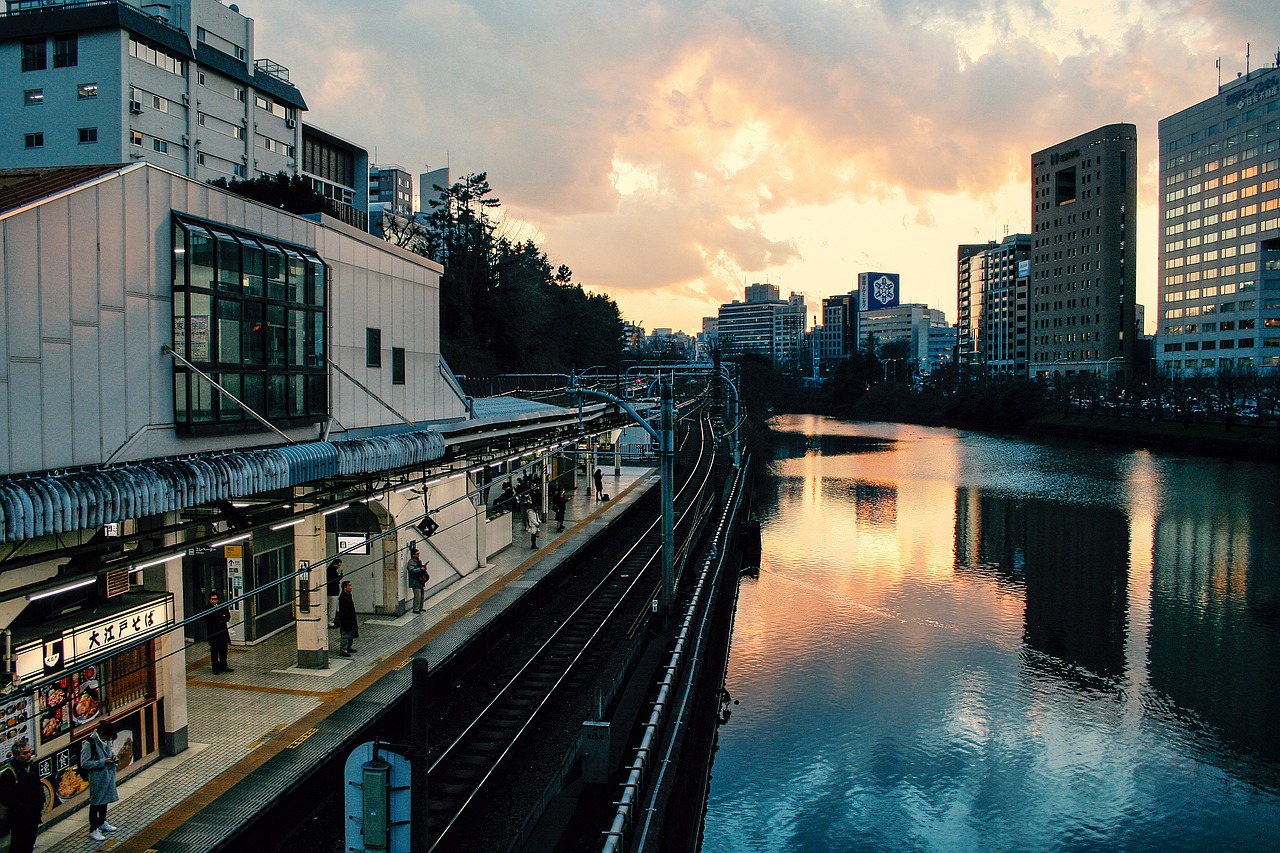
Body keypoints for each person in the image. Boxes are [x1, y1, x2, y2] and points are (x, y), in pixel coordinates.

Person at [0, 737, 44, 853]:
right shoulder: (9, 774)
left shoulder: (31, 767)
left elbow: (38, 785)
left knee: (30, 843)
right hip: (19, 818)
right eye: (25, 753)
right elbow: (6, 798)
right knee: (18, 845)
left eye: (29, 752)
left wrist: (40, 802)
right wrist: (22, 808)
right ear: (16, 756)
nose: (29, 755)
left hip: (33, 815)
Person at [79, 721, 119, 842]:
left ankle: (102, 821)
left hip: (107, 774)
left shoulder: (105, 740)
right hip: (97, 777)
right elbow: (85, 763)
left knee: (105, 799)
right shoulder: (89, 743)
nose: (109, 739)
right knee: (96, 802)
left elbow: (109, 751)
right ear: (102, 733)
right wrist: (103, 762)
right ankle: (93, 828)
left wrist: (113, 756)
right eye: (108, 737)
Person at [205, 592, 233, 674]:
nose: (214, 601)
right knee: (214, 651)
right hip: (213, 633)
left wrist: (221, 618)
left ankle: (223, 665)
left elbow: (227, 615)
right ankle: (215, 668)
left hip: (222, 633)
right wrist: (221, 618)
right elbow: (213, 618)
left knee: (223, 650)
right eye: (212, 599)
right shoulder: (207, 608)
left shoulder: (221, 606)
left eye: (215, 599)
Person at [337, 580, 359, 656]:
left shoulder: (348, 595)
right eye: (349, 586)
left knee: (351, 634)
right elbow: (345, 610)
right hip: (346, 619)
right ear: (344, 588)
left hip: (350, 619)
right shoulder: (343, 597)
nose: (351, 587)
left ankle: (348, 647)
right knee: (345, 635)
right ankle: (343, 650)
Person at [406, 546, 429, 614]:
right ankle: (416, 609)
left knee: (421, 595)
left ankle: (420, 607)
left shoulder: (418, 561)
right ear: (413, 555)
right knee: (417, 596)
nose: (418, 555)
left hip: (420, 581)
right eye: (417, 553)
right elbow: (411, 571)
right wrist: (420, 569)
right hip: (415, 581)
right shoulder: (411, 562)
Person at [326, 558, 343, 628]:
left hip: (332, 591)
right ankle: (331, 622)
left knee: (333, 607)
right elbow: (333, 581)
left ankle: (332, 621)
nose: (338, 567)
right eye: (338, 565)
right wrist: (339, 578)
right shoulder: (332, 572)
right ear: (334, 564)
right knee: (332, 608)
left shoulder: (330, 570)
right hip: (332, 592)